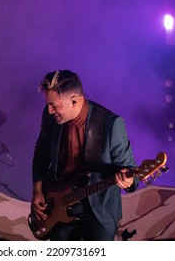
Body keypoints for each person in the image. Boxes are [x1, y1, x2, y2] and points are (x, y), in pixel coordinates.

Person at [31, 69, 138, 241]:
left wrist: (128, 179)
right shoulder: (50, 117)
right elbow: (41, 154)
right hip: (59, 206)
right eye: (48, 104)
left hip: (98, 210)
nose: (49, 110)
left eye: (54, 105)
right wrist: (37, 191)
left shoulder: (110, 124)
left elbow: (130, 170)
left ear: (74, 101)